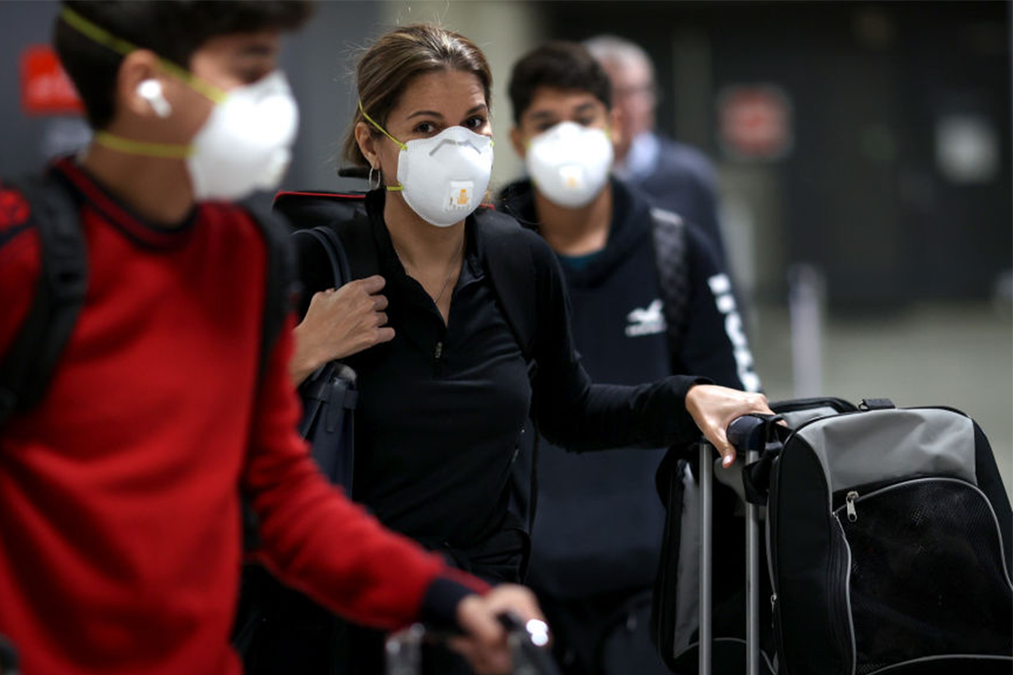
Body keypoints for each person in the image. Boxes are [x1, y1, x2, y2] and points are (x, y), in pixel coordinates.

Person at [0, 3, 547, 674]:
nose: (275, 97)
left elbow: (281, 494)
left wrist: (446, 598)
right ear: (146, 86)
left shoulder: (244, 252)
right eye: (251, 69)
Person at [282, 22, 773, 675]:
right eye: (427, 127)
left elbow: (570, 411)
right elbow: (219, 433)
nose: (456, 145)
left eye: (473, 121)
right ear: (373, 142)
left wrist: (684, 397)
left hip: (484, 619)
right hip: (345, 616)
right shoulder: (316, 263)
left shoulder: (518, 260)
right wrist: (298, 354)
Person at [497, 42, 760, 675]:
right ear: (517, 138)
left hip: (657, 581)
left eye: (583, 117)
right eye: (546, 123)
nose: (567, 136)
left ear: (615, 125)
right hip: (520, 583)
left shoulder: (675, 250)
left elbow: (735, 399)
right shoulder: (487, 255)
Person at [584, 35, 728, 265]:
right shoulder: (562, 175)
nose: (631, 105)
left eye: (641, 91)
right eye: (616, 93)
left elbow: (717, 267)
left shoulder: (688, 175)